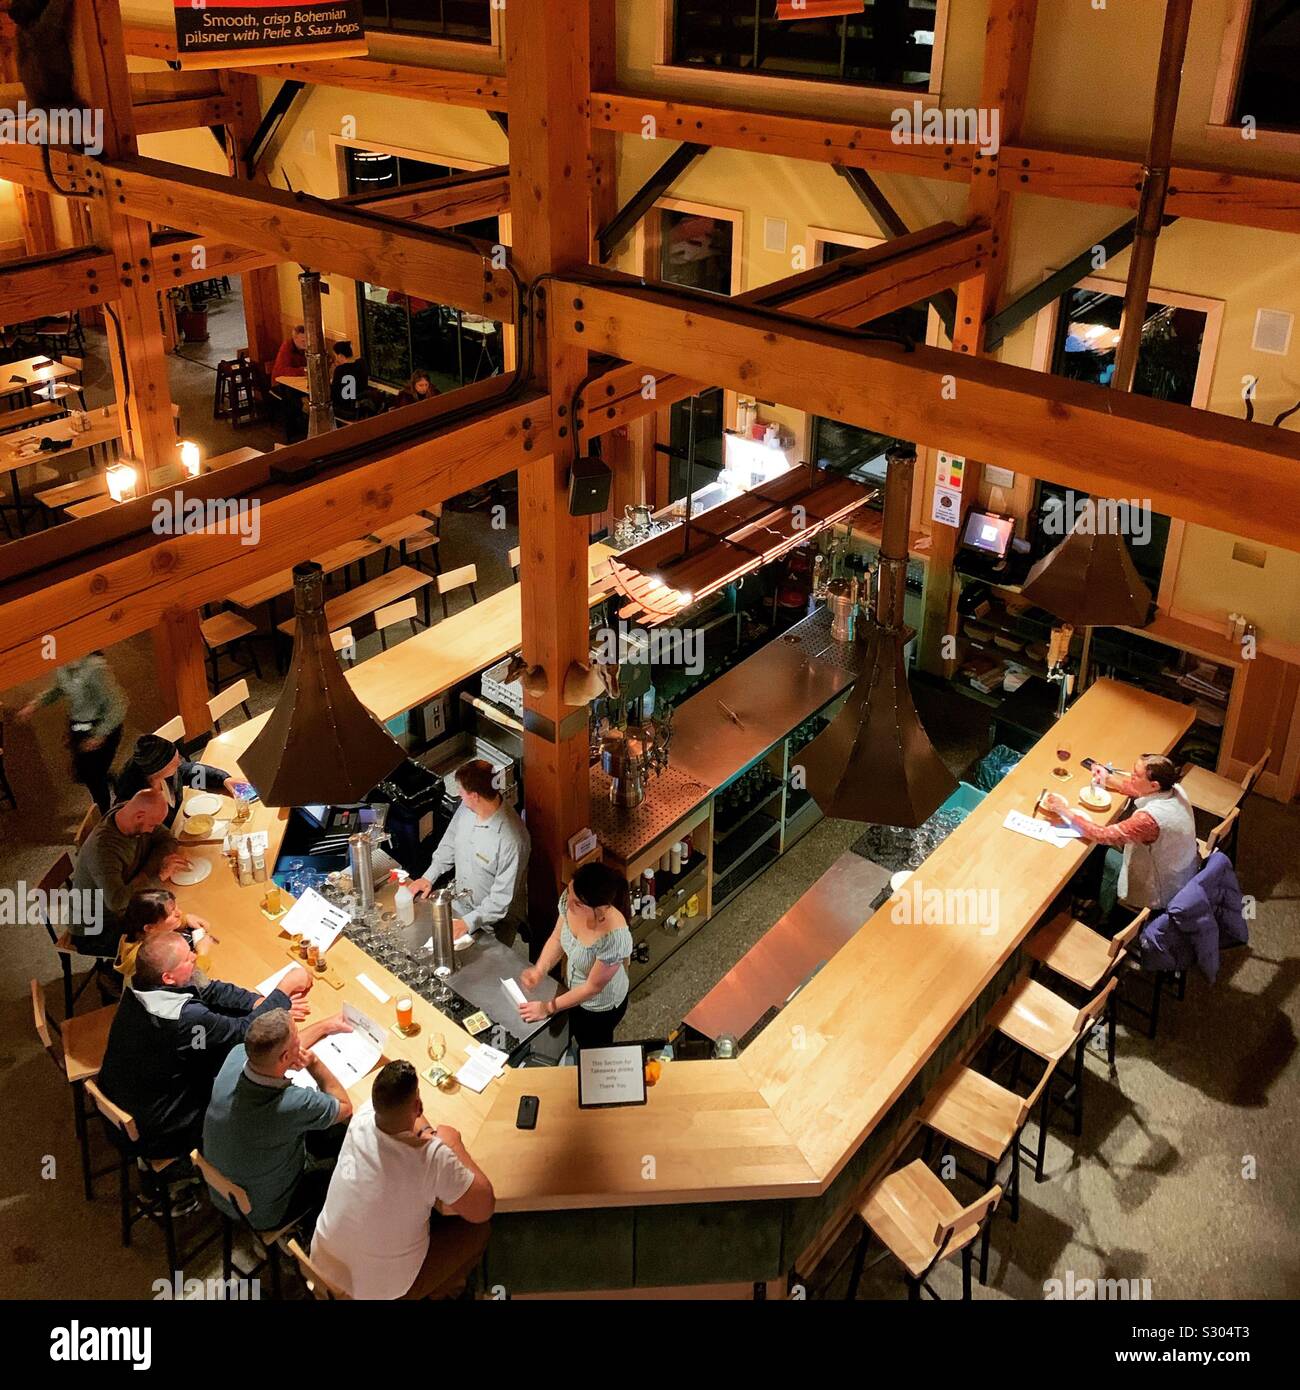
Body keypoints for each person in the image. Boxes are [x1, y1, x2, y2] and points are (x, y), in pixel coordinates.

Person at [97, 932, 313, 1161]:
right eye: (188, 959)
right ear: (168, 977)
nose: (194, 956)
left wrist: (258, 1002)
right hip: (161, 1132)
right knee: (251, 1071)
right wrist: (283, 990)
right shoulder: (185, 1018)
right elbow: (246, 1034)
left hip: (126, 1101)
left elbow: (207, 989)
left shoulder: (138, 984)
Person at [311, 1060, 494, 1300]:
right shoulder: (433, 1158)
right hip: (380, 1292)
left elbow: (403, 1116)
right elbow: (483, 1208)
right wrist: (453, 1144)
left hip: (322, 1265)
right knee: (477, 1231)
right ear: (418, 1105)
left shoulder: (363, 1118)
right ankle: (444, 1291)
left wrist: (426, 1131)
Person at [202, 1007, 354, 1232]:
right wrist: (314, 1064)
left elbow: (276, 1052)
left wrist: (324, 1026)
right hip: (265, 1212)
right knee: (345, 1162)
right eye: (296, 1042)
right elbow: (345, 1106)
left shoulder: (237, 1056)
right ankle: (306, 1232)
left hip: (222, 1190)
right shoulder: (290, 1104)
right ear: (285, 1057)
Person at [1044, 753, 1199, 916]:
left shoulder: (1148, 820)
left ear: (1154, 785)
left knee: (1093, 850)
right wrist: (1108, 779)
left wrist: (1063, 810)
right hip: (1182, 867)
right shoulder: (1174, 789)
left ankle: (1086, 899)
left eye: (1136, 775)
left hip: (1162, 886)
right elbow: (1140, 790)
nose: (1131, 776)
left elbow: (1102, 835)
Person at [408, 759, 529, 946]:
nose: (458, 795)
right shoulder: (466, 809)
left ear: (475, 796)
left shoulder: (512, 840)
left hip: (493, 923)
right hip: (461, 905)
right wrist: (428, 877)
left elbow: (501, 900)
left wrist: (468, 922)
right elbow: (449, 844)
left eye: (461, 791)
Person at [517, 862, 633, 1049]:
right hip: (571, 988)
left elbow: (591, 988)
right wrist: (539, 970)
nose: (568, 902)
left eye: (578, 902)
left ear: (600, 909)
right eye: (569, 892)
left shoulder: (614, 939)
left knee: (591, 1048)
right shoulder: (571, 898)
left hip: (598, 1007)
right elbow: (556, 939)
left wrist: (547, 1008)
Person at [69, 789, 189, 954]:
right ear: (139, 816)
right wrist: (158, 874)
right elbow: (118, 902)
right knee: (169, 947)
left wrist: (148, 872)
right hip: (97, 928)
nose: (153, 830)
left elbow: (167, 839)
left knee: (177, 917)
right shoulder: (103, 851)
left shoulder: (128, 812)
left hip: (127, 905)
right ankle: (114, 975)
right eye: (153, 825)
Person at [17, 653, 127, 813]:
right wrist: (36, 704)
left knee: (94, 777)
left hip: (101, 726)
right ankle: (111, 779)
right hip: (79, 724)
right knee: (81, 773)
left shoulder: (96, 669)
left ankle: (105, 813)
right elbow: (60, 688)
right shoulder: (63, 666)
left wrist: (99, 735)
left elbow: (118, 705)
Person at [114, 732, 237, 829]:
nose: (179, 763)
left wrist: (224, 779)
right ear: (158, 770)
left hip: (185, 827)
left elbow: (191, 773)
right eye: (174, 763)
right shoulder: (133, 804)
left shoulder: (169, 775)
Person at [114, 888, 212, 988]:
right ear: (149, 927)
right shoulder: (147, 959)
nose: (180, 913)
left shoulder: (141, 929)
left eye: (176, 908)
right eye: (172, 913)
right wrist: (202, 955)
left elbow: (163, 923)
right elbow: (188, 983)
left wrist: (184, 921)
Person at [270, 325, 309, 442]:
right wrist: (303, 370)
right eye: (303, 340)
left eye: (307, 339)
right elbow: (281, 371)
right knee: (292, 398)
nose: (306, 343)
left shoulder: (305, 348)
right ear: (294, 339)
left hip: (296, 383)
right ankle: (294, 432)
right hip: (279, 384)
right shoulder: (287, 347)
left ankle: (304, 427)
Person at [329, 340, 369, 419]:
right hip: (360, 407)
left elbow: (334, 393)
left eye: (335, 356)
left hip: (345, 410)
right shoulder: (362, 363)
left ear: (340, 355)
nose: (336, 359)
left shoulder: (340, 370)